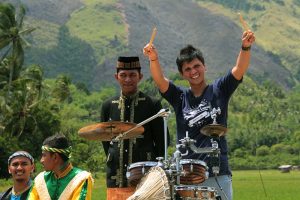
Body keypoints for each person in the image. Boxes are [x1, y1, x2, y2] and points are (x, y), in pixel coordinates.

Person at [143, 30, 255, 200]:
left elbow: (239, 69)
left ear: (204, 66)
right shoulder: (179, 97)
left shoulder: (220, 89)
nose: (193, 71)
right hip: (188, 176)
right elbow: (160, 80)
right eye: (187, 69)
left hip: (219, 173)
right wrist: (153, 58)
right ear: (182, 74)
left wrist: (245, 47)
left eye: (196, 66)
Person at [100, 56, 169, 200]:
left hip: (145, 182)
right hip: (115, 180)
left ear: (140, 77)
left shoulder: (152, 104)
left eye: (132, 75)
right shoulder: (108, 106)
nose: (127, 79)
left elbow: (163, 142)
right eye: (123, 75)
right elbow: (105, 141)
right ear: (116, 77)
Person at [27, 134, 93, 200]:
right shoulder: (40, 179)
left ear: (55, 157)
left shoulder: (80, 179)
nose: (41, 160)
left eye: (44, 155)